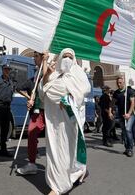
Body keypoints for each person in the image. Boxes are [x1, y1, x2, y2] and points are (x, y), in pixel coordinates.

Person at [41, 48, 90, 195]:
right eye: (65, 56)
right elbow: (43, 89)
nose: (67, 59)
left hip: (70, 121)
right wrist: (48, 71)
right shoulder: (55, 73)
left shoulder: (78, 73)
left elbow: (84, 90)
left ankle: (59, 186)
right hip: (54, 121)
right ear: (61, 57)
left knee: (67, 151)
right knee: (55, 151)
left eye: (70, 57)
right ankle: (59, 181)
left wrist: (67, 97)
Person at [16, 51, 45, 175]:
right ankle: (32, 163)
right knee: (32, 133)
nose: (34, 58)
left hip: (51, 111)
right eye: (33, 56)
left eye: (36, 56)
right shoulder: (34, 77)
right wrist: (30, 97)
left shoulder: (49, 71)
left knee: (56, 138)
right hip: (37, 111)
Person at [113, 77, 135, 157]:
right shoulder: (116, 93)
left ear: (124, 83)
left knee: (128, 129)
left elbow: (133, 103)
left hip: (130, 114)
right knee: (123, 132)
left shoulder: (129, 91)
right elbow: (113, 103)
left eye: (120, 83)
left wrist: (129, 114)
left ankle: (130, 149)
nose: (119, 84)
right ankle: (126, 148)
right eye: (118, 83)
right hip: (121, 115)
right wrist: (110, 111)